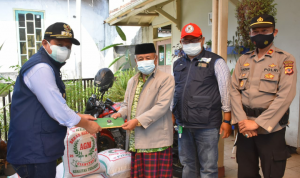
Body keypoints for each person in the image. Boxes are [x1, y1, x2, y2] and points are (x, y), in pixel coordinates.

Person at [7, 22, 102, 178]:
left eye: (68, 46)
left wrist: (79, 115)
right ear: (45, 43)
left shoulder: (48, 65)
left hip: (37, 148)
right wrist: (87, 125)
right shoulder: (41, 68)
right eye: (59, 44)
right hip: (34, 150)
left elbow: (51, 104)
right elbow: (58, 109)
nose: (64, 50)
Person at [230, 14, 297, 178]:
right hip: (245, 128)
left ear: (274, 32)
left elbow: (286, 96)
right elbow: (233, 91)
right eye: (255, 31)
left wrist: (258, 123)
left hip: (271, 130)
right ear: (250, 34)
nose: (259, 34)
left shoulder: (285, 59)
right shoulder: (243, 60)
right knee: (246, 173)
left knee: (273, 173)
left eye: (265, 30)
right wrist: (242, 121)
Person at [172, 23, 232, 178]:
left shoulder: (216, 62)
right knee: (187, 165)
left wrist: (227, 120)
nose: (190, 43)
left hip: (207, 125)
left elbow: (226, 91)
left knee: (209, 168)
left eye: (194, 40)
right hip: (183, 125)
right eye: (186, 41)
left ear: (202, 39)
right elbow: (175, 91)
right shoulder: (177, 64)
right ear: (182, 42)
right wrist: (172, 113)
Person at [112, 43, 175, 178]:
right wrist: (120, 113)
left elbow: (162, 106)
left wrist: (137, 121)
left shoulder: (166, 79)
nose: (144, 61)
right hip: (136, 140)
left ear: (155, 59)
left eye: (148, 57)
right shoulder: (132, 81)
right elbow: (126, 104)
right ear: (136, 61)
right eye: (140, 59)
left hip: (156, 140)